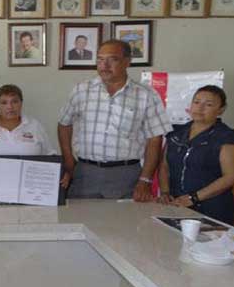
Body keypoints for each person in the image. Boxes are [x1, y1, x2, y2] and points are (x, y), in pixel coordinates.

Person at [57, 39, 171, 201]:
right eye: (100, 59)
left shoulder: (145, 95)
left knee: (124, 218)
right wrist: (68, 159)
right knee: (81, 216)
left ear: (127, 62)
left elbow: (155, 139)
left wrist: (145, 179)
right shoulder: (81, 90)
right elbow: (64, 124)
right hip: (85, 174)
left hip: (126, 175)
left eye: (112, 59)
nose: (104, 65)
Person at [158, 86, 234, 224]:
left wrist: (194, 198)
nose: (200, 108)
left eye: (208, 104)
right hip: (176, 204)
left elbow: (231, 176)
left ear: (221, 110)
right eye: (196, 102)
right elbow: (164, 165)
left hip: (211, 207)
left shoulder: (227, 136)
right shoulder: (176, 132)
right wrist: (164, 192)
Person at [0, 84, 68, 188]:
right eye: (4, 102)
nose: (10, 107)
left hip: (31, 188)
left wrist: (63, 173)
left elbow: (50, 156)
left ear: (21, 103)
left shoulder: (34, 126)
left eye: (15, 101)